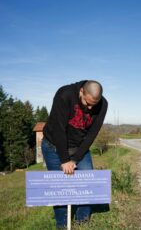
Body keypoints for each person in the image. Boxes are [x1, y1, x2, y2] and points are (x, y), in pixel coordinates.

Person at [42, 80, 108, 228]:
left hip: (79, 148)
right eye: (87, 103)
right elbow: (59, 129)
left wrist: (76, 158)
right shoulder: (64, 95)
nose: (90, 108)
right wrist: (65, 160)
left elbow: (92, 134)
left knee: (87, 184)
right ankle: (62, 224)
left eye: (94, 105)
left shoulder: (103, 104)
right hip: (53, 145)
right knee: (59, 188)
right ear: (81, 92)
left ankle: (82, 220)